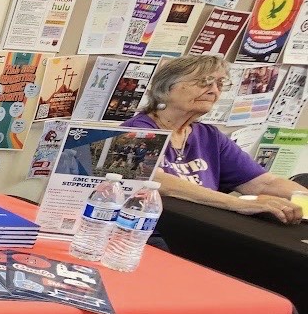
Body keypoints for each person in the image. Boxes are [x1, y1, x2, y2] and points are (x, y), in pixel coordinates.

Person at [121, 53, 305, 224]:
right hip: (151, 232)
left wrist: (304, 198)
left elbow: (264, 182)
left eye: (219, 84)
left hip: (203, 226)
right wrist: (238, 203)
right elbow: (158, 181)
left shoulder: (210, 136)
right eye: (204, 82)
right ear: (166, 88)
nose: (213, 90)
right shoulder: (138, 130)